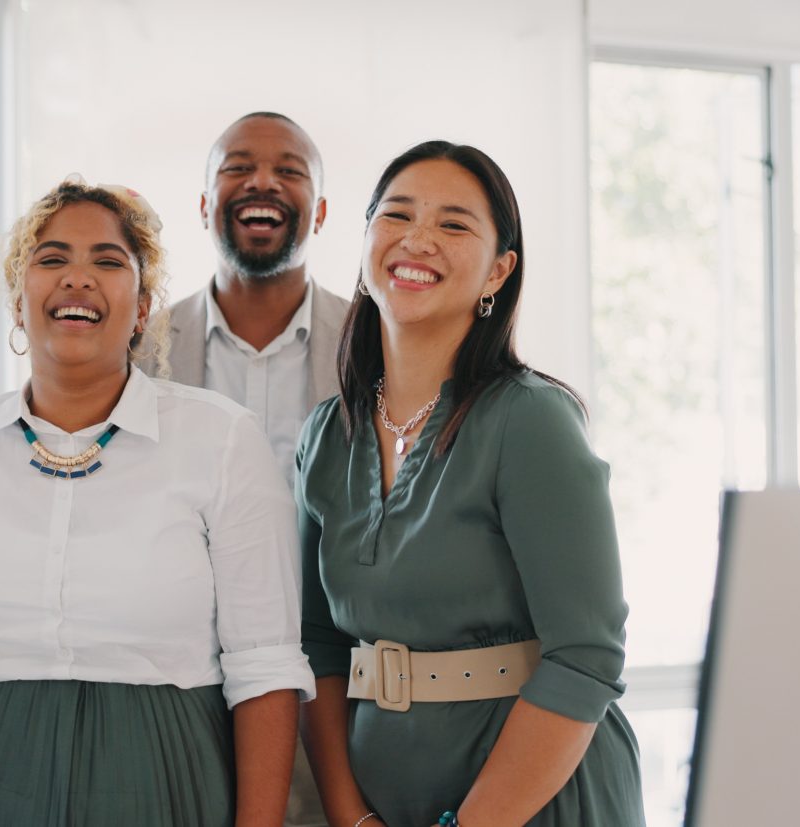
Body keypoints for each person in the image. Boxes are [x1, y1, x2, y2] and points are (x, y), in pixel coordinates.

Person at [0, 178, 315, 826]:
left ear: (144, 303)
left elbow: (265, 669)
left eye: (108, 261)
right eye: (52, 258)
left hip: (166, 786)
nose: (78, 278)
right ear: (17, 299)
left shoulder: (222, 440)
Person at [297, 141, 643, 826]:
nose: (418, 239)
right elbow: (317, 646)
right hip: (382, 808)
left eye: (454, 224)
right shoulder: (326, 435)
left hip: (539, 803)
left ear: (498, 271)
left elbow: (587, 656)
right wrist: (350, 815)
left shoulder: (530, 419)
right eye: (396, 216)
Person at [138, 110, 346, 827]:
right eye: (237, 166)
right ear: (203, 203)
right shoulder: (136, 349)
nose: (263, 181)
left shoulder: (376, 346)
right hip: (181, 694)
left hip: (338, 700)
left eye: (290, 169)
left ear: (319, 208)